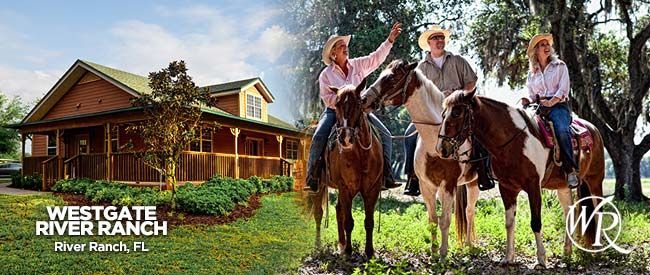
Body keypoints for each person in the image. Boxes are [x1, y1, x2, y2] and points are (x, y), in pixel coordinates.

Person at [305, 23, 403, 192]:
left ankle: (386, 175)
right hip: (335, 112)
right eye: (340, 46)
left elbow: (376, 58)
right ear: (333, 53)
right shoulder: (325, 75)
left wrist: (390, 40)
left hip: (359, 112)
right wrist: (344, 99)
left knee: (386, 135)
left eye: (345, 45)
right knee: (319, 136)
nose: (345, 48)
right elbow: (327, 99)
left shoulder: (358, 65)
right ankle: (312, 176)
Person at [402, 26, 478, 196]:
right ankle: (412, 177)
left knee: (480, 131)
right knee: (409, 135)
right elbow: (418, 95)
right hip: (432, 112)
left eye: (441, 38)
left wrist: (458, 95)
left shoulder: (458, 60)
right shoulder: (421, 68)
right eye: (435, 38)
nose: (439, 41)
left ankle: (483, 172)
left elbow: (471, 83)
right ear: (428, 43)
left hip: (457, 111)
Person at [521, 33, 579, 188]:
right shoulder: (532, 72)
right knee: (523, 128)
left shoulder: (560, 66)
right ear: (535, 51)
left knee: (561, 129)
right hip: (539, 107)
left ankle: (570, 169)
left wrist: (551, 101)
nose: (547, 47)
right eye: (542, 45)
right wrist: (528, 100)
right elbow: (532, 94)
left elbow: (564, 89)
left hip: (558, 106)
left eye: (548, 44)